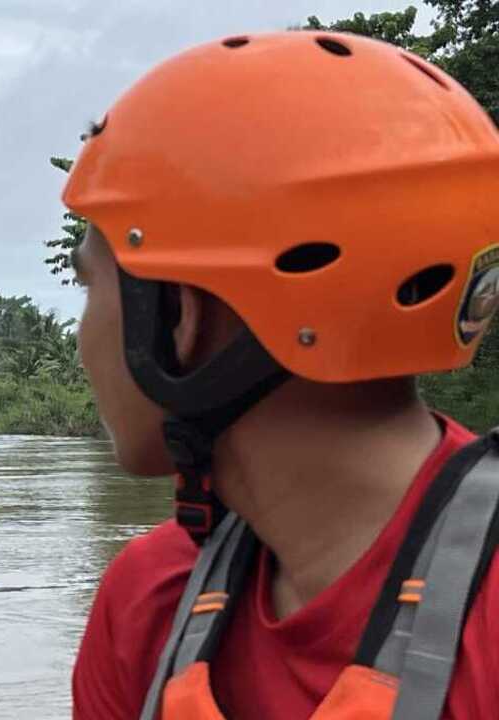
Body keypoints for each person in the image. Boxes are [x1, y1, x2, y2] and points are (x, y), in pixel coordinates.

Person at [64, 32, 499, 719]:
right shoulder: (144, 597)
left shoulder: (154, 601)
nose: (82, 338)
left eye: (90, 289)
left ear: (181, 313)